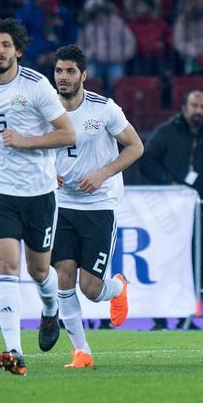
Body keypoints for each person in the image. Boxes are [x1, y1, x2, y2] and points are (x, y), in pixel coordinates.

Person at [0, 18, 77, 376]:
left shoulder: (38, 86)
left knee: (39, 270)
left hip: (38, 193)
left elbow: (67, 134)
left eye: (6, 45)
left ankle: (50, 309)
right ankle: (14, 351)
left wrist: (26, 142)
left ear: (18, 51)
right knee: (5, 267)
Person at [51, 45, 144, 368]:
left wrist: (104, 173)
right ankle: (82, 351)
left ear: (84, 75)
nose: (64, 77)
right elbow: (32, 150)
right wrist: (48, 172)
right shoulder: (44, 110)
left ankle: (118, 288)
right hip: (60, 205)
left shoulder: (104, 109)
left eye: (70, 71)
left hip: (99, 206)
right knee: (63, 276)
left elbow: (135, 146)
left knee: (90, 288)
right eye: (59, 71)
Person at [140, 90, 203, 307]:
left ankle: (192, 308)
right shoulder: (166, 132)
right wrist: (169, 184)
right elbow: (147, 162)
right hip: (170, 212)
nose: (199, 111)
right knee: (167, 259)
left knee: (200, 260)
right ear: (184, 108)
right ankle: (161, 311)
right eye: (194, 106)